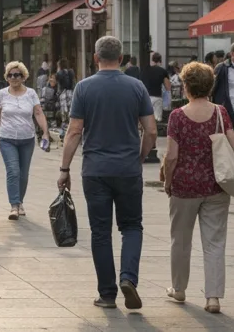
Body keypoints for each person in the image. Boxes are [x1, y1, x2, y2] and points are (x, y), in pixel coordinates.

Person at [57, 36, 157, 310]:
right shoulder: (136, 87)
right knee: (132, 226)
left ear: (95, 57)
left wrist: (64, 169)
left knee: (100, 232)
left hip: (95, 171)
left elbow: (75, 131)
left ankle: (107, 294)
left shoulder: (84, 88)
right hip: (127, 169)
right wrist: (140, 157)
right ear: (122, 58)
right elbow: (151, 130)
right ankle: (128, 278)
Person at [163, 62, 234, 314]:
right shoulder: (220, 113)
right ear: (210, 86)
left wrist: (168, 181)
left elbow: (172, 156)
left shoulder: (177, 116)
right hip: (216, 187)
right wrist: (230, 173)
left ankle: (179, 289)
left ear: (185, 85)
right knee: (215, 242)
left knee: (180, 240)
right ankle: (213, 298)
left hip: (184, 187)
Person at [0, 61, 49, 221]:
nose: (14, 78)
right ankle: (14, 205)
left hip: (27, 139)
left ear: (23, 77)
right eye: (10, 75)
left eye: (17, 75)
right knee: (13, 171)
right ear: (7, 77)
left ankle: (20, 202)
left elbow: (38, 113)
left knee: (23, 174)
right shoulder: (2, 94)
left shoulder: (31, 93)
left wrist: (46, 133)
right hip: (7, 138)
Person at [144, 52, 172, 124]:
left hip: (146, 98)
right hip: (157, 97)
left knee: (146, 120)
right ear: (160, 61)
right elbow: (168, 87)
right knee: (157, 120)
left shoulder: (145, 70)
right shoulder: (162, 71)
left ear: (152, 60)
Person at [56, 59, 76, 135]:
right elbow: (73, 83)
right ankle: (71, 130)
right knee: (71, 113)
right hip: (70, 93)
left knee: (64, 113)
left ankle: (64, 132)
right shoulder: (71, 72)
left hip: (63, 94)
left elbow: (58, 85)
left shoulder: (59, 73)